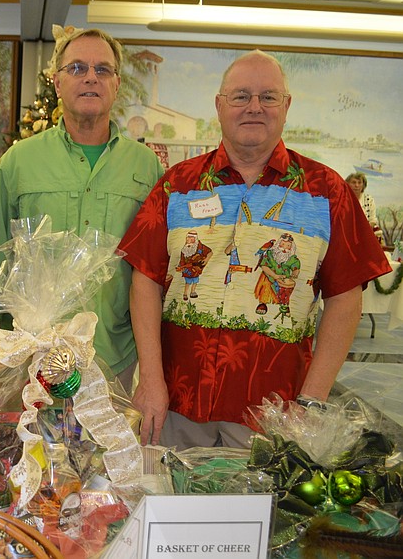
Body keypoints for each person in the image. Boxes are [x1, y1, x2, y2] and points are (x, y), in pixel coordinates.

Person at [118, 50, 392, 450]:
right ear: (219, 105)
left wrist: (312, 401)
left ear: (286, 106)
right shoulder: (177, 185)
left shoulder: (326, 191)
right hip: (175, 404)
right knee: (168, 505)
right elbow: (145, 282)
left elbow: (345, 298)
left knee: (261, 513)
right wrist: (152, 381)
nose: (254, 107)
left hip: (275, 412)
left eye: (268, 97)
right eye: (241, 96)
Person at [0, 25, 164, 392]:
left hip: (116, 360)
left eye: (103, 70)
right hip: (32, 360)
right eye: (77, 68)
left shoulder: (147, 168)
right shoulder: (19, 162)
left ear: (116, 84)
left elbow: (156, 269)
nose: (90, 79)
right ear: (57, 81)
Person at [345, 171, 382, 242]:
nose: (357, 185)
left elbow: (373, 220)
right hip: (347, 233)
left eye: (359, 183)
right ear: (348, 184)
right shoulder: (343, 199)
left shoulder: (369, 199)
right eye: (354, 182)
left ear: (363, 185)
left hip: (365, 232)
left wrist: (362, 230)